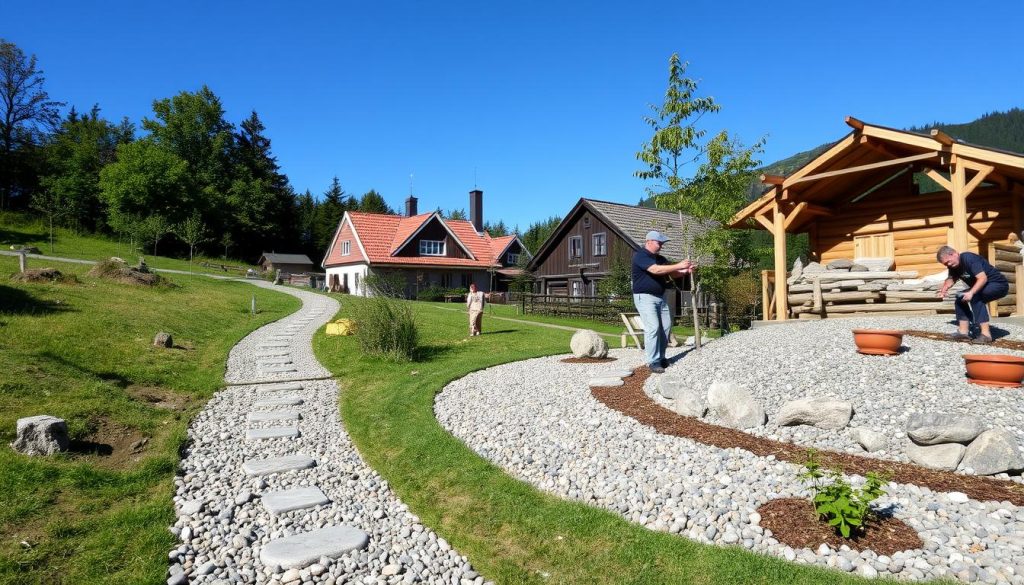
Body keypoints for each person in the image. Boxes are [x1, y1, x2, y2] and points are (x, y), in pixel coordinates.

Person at [632, 230, 695, 373]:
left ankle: (661, 357)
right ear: (649, 241)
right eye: (659, 243)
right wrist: (679, 265)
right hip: (645, 297)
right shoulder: (641, 256)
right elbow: (655, 270)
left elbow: (671, 273)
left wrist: (685, 271)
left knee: (666, 327)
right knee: (653, 328)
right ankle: (653, 361)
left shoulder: (660, 258)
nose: (661, 246)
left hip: (661, 296)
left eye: (662, 243)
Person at [936, 245, 1008, 344]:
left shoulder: (968, 258)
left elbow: (982, 278)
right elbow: (951, 279)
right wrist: (944, 289)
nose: (948, 265)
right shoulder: (953, 266)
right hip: (984, 286)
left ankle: (986, 335)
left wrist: (971, 292)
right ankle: (963, 333)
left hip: (998, 285)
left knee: (975, 296)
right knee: (960, 298)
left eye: (948, 261)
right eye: (945, 264)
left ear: (953, 254)